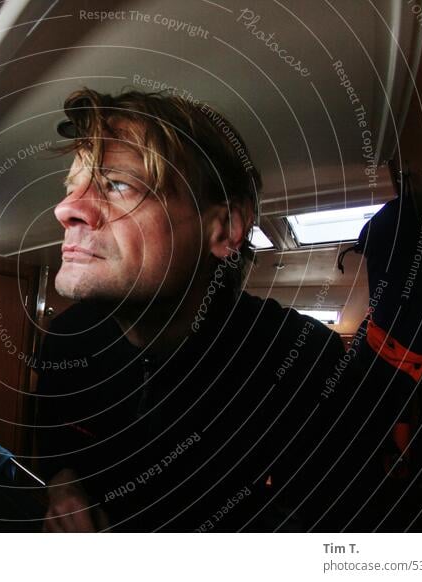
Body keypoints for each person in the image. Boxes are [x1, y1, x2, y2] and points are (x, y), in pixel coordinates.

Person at [34, 88, 396, 533]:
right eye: (72, 188)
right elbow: (50, 439)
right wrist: (63, 484)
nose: (66, 208)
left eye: (118, 184)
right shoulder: (64, 339)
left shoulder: (302, 362)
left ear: (224, 228)